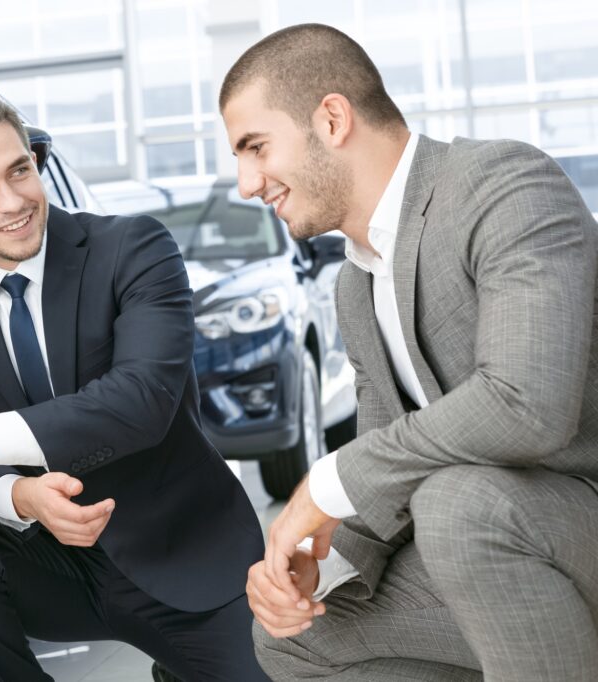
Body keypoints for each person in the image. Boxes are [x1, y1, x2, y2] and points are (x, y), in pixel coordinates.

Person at [0, 86, 268, 682]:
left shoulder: (133, 248)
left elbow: (142, 401)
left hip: (184, 557)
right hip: (53, 566)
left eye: (19, 170)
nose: (12, 201)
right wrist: (19, 497)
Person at [218, 22, 598, 681]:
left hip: (572, 521)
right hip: (506, 545)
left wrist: (329, 482)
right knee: (292, 637)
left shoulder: (500, 186)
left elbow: (527, 402)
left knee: (458, 504)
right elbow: (391, 469)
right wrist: (323, 565)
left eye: (256, 147)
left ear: (331, 119)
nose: (247, 183)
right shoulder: (355, 285)